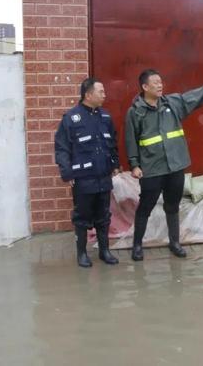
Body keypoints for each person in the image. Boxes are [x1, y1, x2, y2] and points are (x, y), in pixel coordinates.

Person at [125, 69, 203, 260]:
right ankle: (137, 245)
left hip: (175, 165)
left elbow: (193, 97)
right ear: (145, 87)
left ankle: (175, 243)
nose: (160, 85)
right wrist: (134, 165)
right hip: (151, 168)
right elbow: (130, 140)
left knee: (172, 205)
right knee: (145, 207)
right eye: (155, 82)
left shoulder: (172, 103)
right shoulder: (135, 112)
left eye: (161, 81)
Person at [55, 78, 121, 268]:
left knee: (104, 216)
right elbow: (62, 148)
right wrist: (68, 174)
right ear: (88, 94)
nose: (104, 94)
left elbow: (112, 144)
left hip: (103, 176)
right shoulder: (71, 118)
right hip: (83, 179)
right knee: (82, 217)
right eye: (101, 91)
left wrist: (115, 165)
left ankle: (104, 251)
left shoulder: (105, 117)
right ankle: (82, 253)